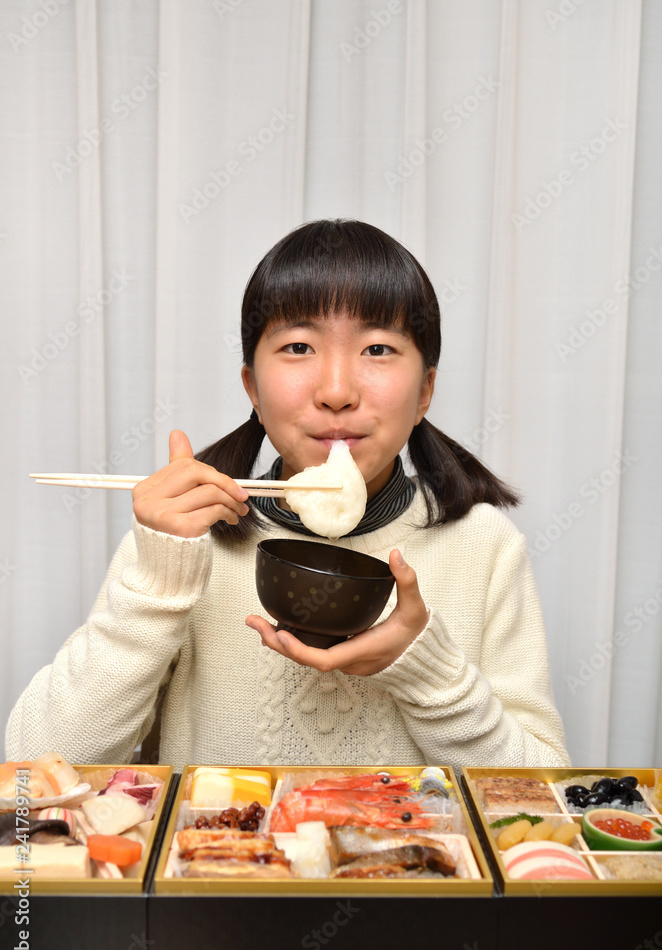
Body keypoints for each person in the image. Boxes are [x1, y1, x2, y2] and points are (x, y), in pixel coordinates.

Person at [5, 219, 570, 769]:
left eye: (377, 349)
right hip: (217, 862)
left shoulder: (484, 546)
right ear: (252, 386)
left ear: (425, 391)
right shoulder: (184, 539)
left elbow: (545, 798)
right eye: (299, 347)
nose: (336, 391)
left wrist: (427, 669)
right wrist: (157, 585)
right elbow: (30, 776)